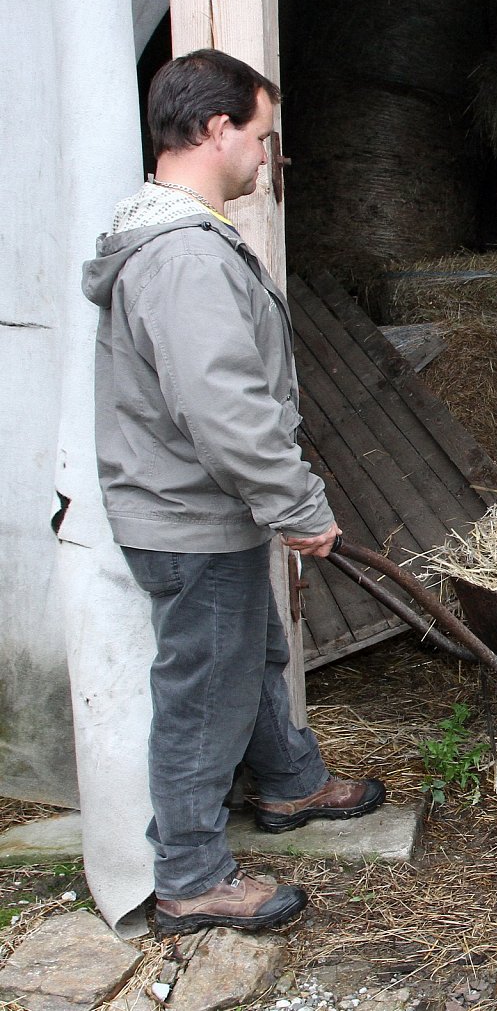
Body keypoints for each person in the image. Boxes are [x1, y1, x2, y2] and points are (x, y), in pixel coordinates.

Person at [82, 49, 385, 935]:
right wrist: (296, 505)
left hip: (201, 510)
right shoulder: (181, 254)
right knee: (204, 695)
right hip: (188, 516)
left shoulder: (182, 238)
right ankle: (189, 875)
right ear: (217, 131)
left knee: (249, 655)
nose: (266, 155)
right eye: (260, 136)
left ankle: (289, 783)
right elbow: (222, 406)